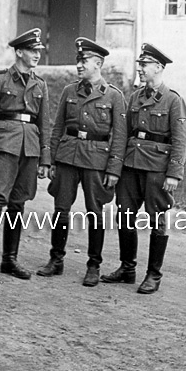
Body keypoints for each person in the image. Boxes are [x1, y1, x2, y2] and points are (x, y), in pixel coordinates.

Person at [37, 37, 127, 287]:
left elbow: (119, 137)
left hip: (97, 159)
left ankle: (93, 265)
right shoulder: (69, 91)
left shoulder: (114, 96)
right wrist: (51, 159)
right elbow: (57, 128)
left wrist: (114, 169)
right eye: (78, 60)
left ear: (98, 63)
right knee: (61, 210)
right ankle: (56, 260)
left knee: (95, 213)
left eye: (84, 60)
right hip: (67, 156)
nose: (79, 65)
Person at [100, 42, 186, 294]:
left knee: (157, 219)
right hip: (131, 166)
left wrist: (174, 173)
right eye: (139, 64)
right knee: (125, 216)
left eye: (144, 64)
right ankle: (127, 269)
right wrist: (116, 167)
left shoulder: (173, 100)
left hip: (157, 170)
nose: (140, 68)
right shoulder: (135, 98)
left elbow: (181, 140)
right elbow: (123, 134)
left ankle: (153, 274)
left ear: (159, 67)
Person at [0, 28, 51, 283]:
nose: (37, 55)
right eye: (32, 50)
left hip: (29, 150)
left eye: (39, 50)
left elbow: (45, 126)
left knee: (18, 204)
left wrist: (45, 159)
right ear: (19, 52)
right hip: (4, 147)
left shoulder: (40, 85)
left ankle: (9, 259)